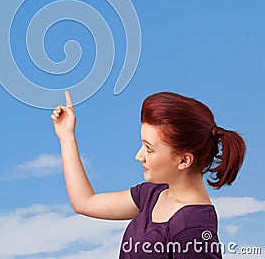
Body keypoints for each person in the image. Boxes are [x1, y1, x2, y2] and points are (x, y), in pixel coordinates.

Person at [51, 90, 246, 258]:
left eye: (148, 148)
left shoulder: (193, 229)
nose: (138, 156)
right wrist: (67, 137)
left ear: (184, 160)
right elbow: (85, 202)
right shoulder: (151, 195)